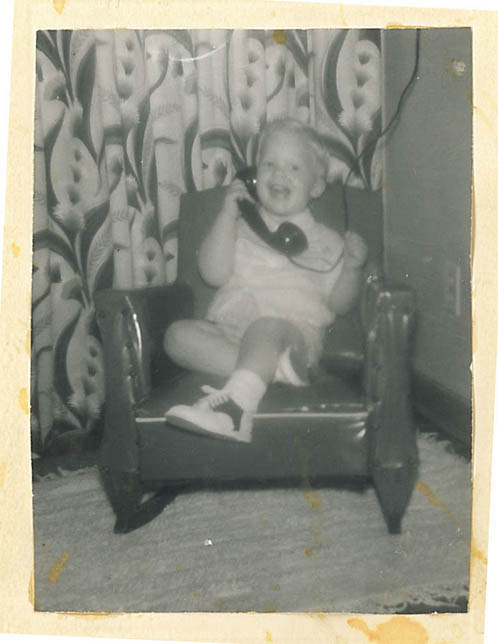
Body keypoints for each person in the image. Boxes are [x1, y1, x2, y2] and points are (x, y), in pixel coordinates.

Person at [163, 118, 368, 442]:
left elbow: (338, 304)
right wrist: (228, 215)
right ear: (254, 175)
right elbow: (212, 275)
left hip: (290, 336)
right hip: (232, 332)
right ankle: (270, 372)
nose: (279, 174)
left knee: (265, 327)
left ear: (316, 186)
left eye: (294, 168)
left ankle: (233, 411)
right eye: (269, 164)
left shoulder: (326, 242)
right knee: (176, 335)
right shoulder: (239, 228)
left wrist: (352, 268)